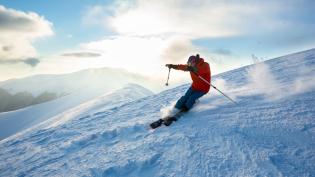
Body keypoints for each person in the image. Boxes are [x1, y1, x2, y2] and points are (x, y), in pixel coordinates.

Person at [162, 54, 211, 125]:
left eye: (191, 63)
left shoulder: (205, 65)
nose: (190, 65)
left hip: (203, 89)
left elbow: (202, 70)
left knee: (191, 99)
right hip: (194, 86)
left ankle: (185, 109)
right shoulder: (190, 67)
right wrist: (172, 66)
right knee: (184, 98)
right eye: (189, 63)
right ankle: (175, 109)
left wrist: (194, 69)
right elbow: (181, 66)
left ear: (195, 61)